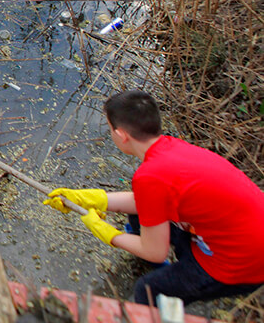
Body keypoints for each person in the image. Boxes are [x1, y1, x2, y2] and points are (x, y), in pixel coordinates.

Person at [43, 90, 264, 306]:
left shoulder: (150, 177)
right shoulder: (170, 147)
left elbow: (156, 252)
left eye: (110, 129)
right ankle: (149, 257)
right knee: (138, 216)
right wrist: (92, 199)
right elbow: (146, 202)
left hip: (242, 263)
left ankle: (163, 282)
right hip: (234, 232)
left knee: (149, 290)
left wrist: (109, 234)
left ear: (121, 135)